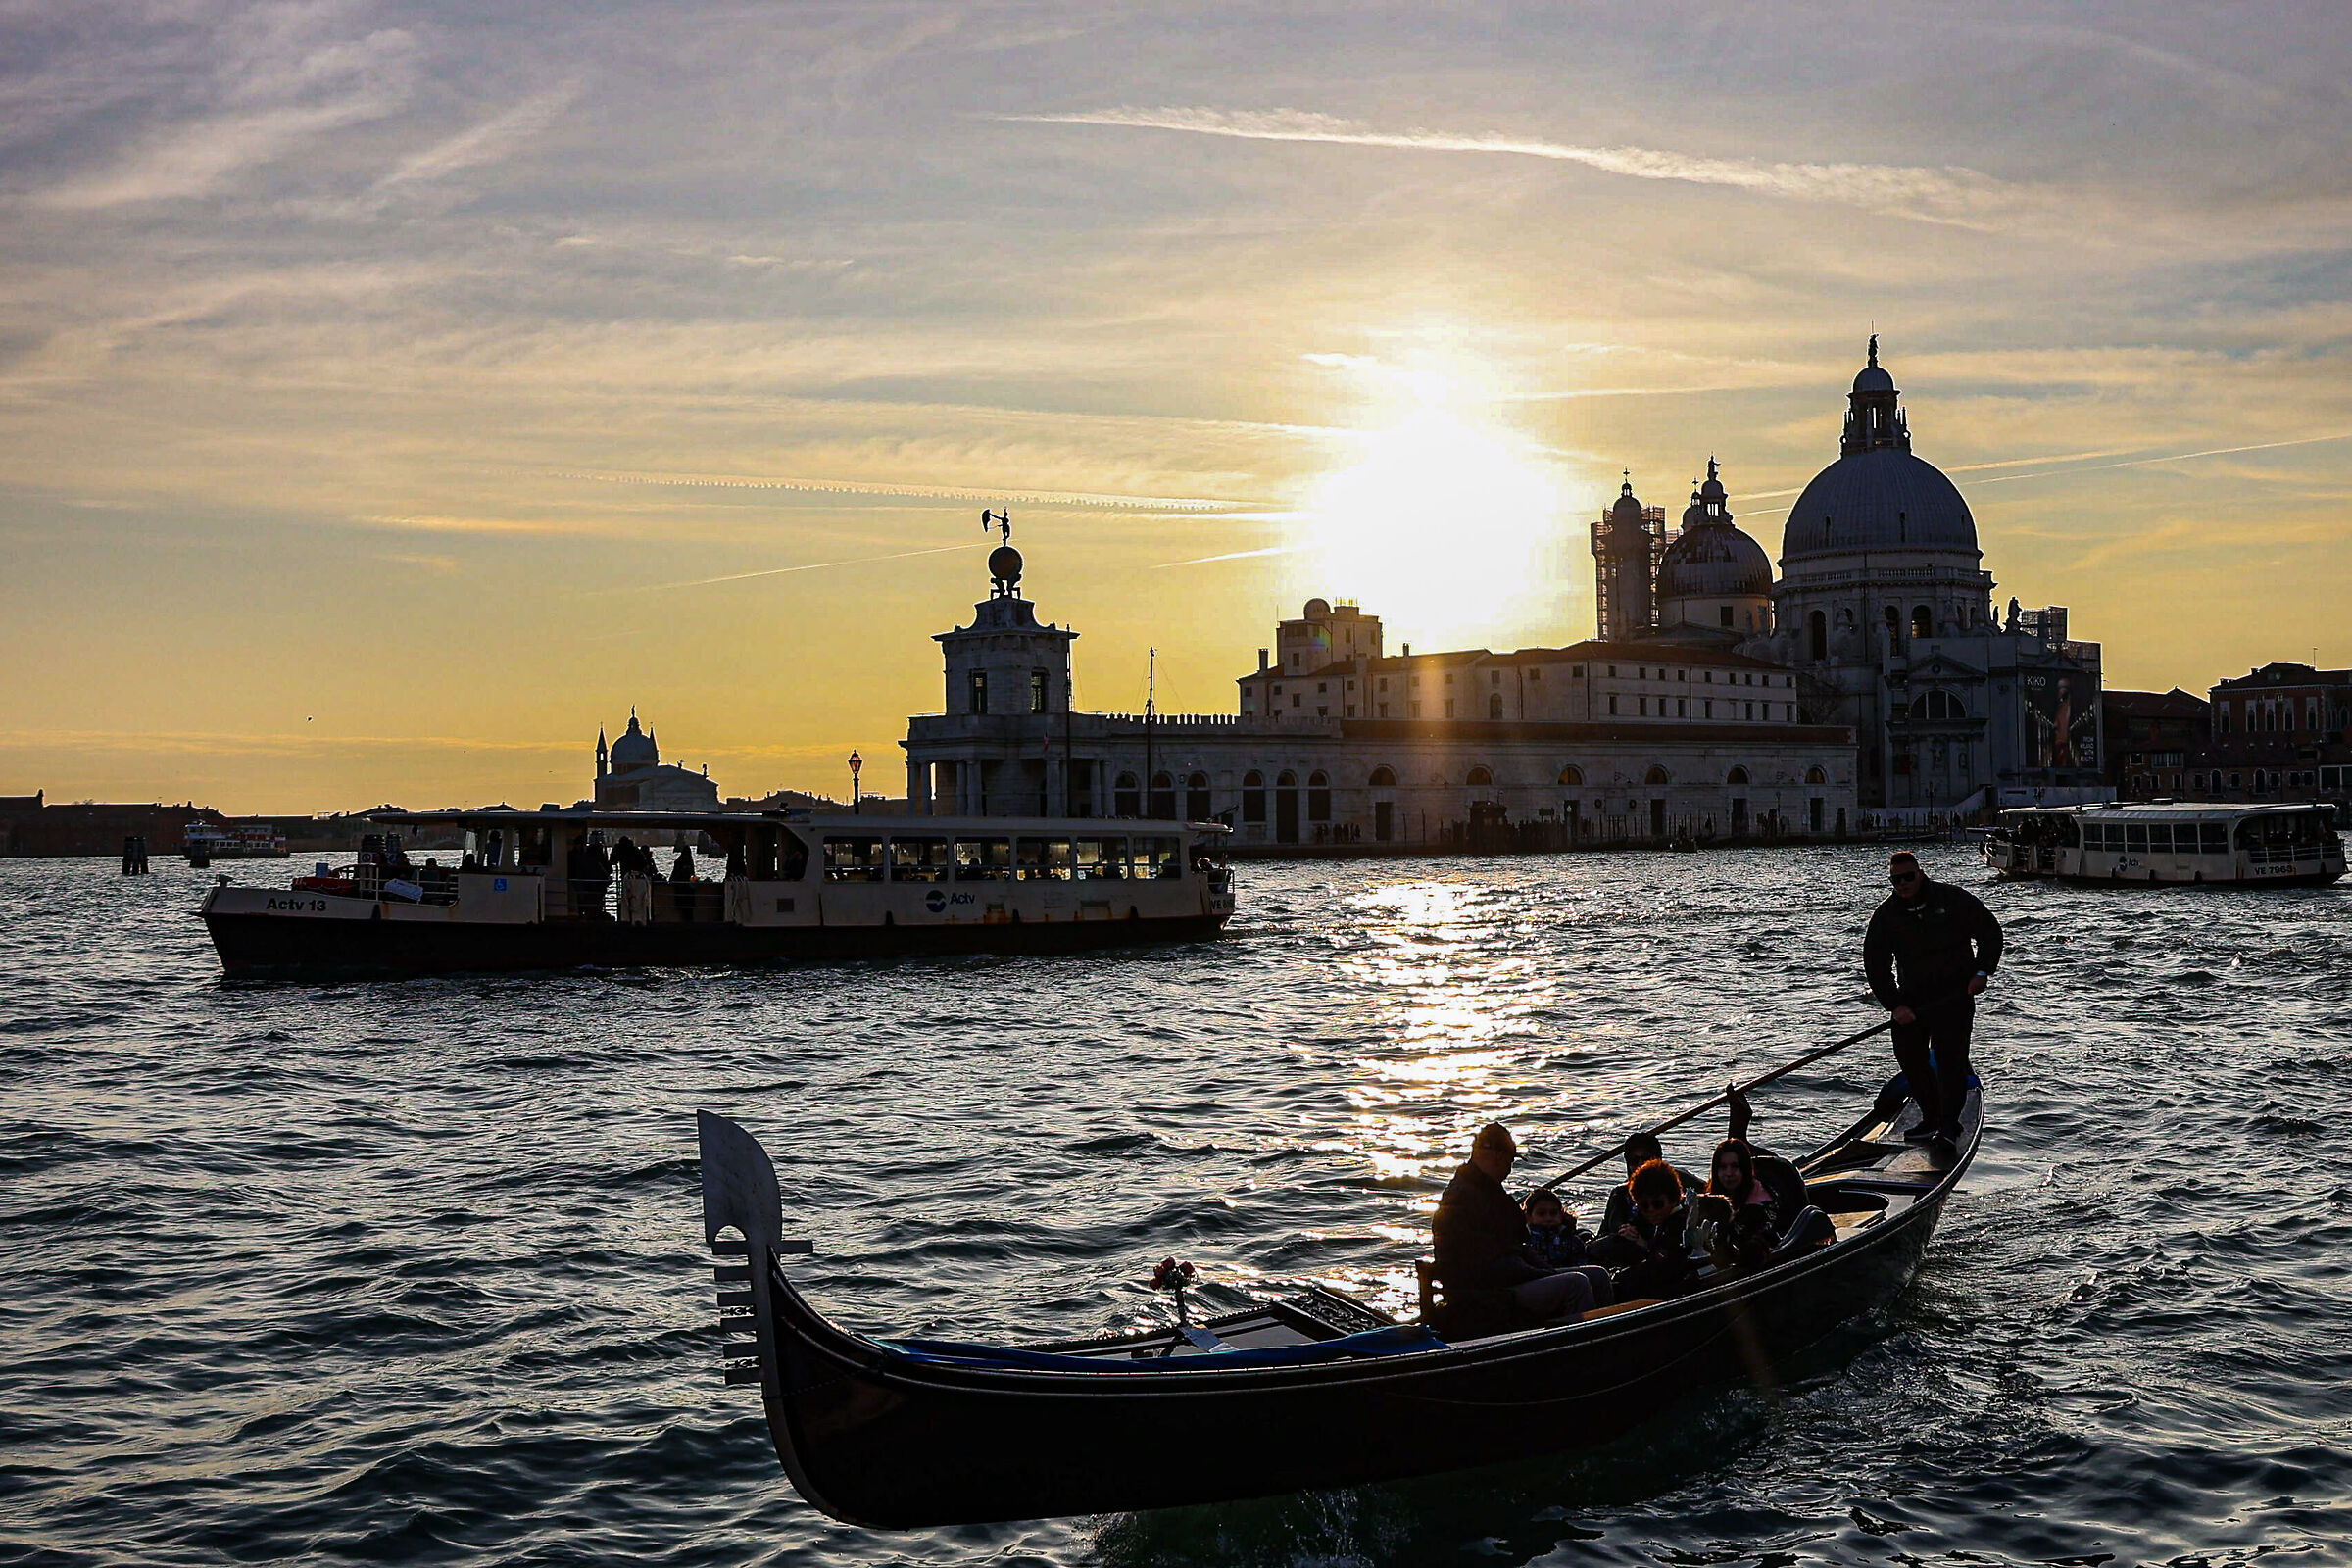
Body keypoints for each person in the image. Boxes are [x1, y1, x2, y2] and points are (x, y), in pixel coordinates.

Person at [1864, 850, 2002, 1144]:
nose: (1902, 884)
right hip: (1912, 1003)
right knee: (1910, 1057)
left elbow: (1990, 932)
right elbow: (1875, 966)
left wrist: (1982, 971)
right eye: (1896, 880)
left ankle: (1949, 1125)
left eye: (1908, 877)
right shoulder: (1886, 915)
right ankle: (1930, 1116)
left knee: (1951, 1061)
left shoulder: (1952, 899)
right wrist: (1895, 1004)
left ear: (1920, 873)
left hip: (1954, 998)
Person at [1433, 1124, 1612, 1321]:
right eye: (1510, 1162)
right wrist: (1538, 1273)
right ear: (1500, 1157)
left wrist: (1544, 1270)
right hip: (1487, 1294)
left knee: (1598, 1276)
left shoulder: (1488, 1192)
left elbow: (1516, 1247)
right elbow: (1492, 1265)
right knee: (1576, 1284)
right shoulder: (1464, 1199)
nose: (1509, 1170)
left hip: (1506, 1279)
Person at [1607, 1158, 1697, 1300]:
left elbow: (1660, 1268)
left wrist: (1620, 1278)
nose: (1651, 1211)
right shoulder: (1664, 1224)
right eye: (1644, 1206)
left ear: (1674, 1199)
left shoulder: (1679, 1225)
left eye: (1658, 1204)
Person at [1698, 1137, 1779, 1276]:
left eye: (1735, 1167)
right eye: (1723, 1167)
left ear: (1745, 1169)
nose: (1728, 1174)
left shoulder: (1761, 1205)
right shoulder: (1713, 1199)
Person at [1523, 1188, 1615, 1308]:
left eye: (1553, 1213)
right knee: (1586, 1277)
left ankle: (1606, 1313)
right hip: (1539, 1276)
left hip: (1565, 1272)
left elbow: (1581, 1261)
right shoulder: (1525, 1238)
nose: (1548, 1218)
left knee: (1599, 1274)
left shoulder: (1570, 1239)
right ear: (1529, 1216)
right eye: (1541, 1214)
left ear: (1561, 1215)